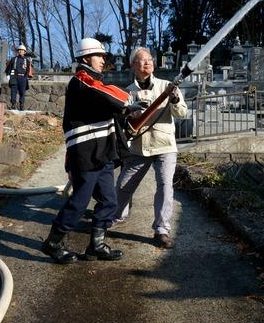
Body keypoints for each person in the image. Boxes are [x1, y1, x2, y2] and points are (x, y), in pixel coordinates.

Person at [41, 37, 147, 264]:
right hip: (86, 154)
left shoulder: (95, 84)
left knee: (110, 201)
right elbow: (107, 94)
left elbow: (107, 102)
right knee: (80, 201)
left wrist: (126, 113)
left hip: (103, 153)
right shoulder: (81, 81)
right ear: (86, 58)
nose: (103, 61)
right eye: (100, 56)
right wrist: (129, 101)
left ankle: (96, 245)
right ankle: (53, 243)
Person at [114, 47, 187, 249]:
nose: (147, 63)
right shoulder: (128, 91)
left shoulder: (168, 86)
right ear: (133, 65)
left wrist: (174, 99)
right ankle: (116, 215)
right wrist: (130, 117)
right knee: (123, 186)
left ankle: (161, 230)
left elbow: (182, 113)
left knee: (165, 186)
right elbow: (123, 124)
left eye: (149, 60)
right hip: (139, 146)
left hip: (165, 145)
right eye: (141, 60)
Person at [5, 44, 34, 110]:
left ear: (24, 52)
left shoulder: (27, 61)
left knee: (22, 92)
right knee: (13, 91)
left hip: (23, 78)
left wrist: (26, 77)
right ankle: (13, 104)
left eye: (22, 50)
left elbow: (28, 70)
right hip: (14, 77)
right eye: (20, 50)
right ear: (18, 51)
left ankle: (21, 105)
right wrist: (8, 75)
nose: (21, 51)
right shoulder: (13, 59)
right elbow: (8, 68)